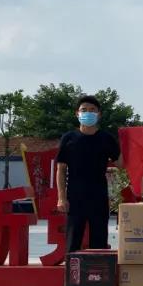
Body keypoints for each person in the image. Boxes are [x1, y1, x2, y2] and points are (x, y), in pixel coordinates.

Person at [56, 95, 122, 252]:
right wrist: (61, 198)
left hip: (99, 196)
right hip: (75, 197)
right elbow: (61, 169)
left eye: (92, 110)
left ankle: (97, 268)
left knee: (99, 242)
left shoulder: (106, 138)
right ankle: (71, 267)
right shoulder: (68, 138)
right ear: (77, 114)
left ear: (99, 114)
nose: (88, 113)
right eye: (84, 110)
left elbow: (121, 164)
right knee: (73, 242)